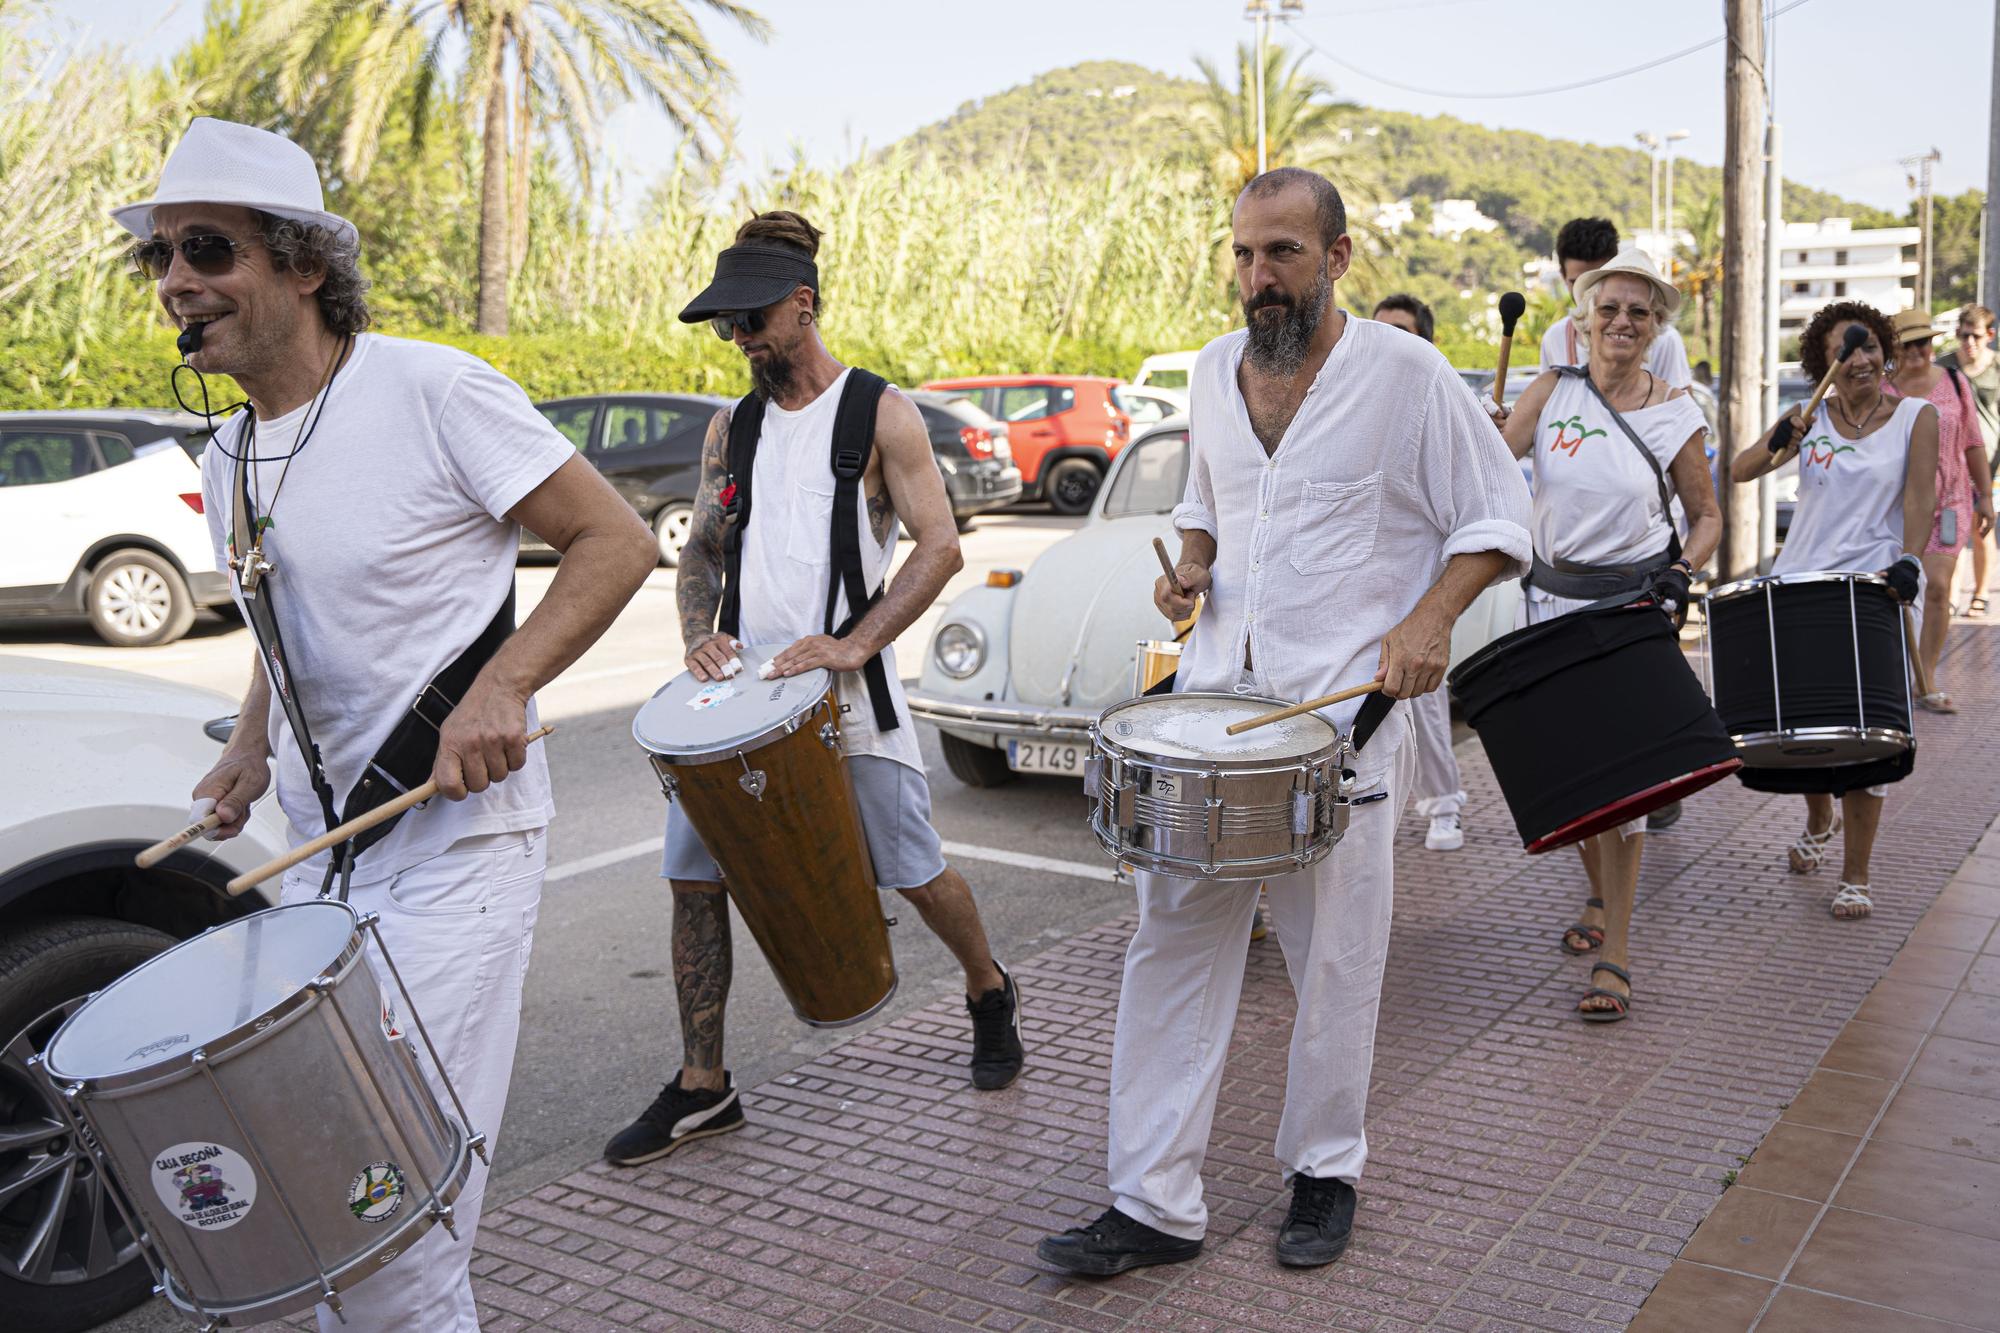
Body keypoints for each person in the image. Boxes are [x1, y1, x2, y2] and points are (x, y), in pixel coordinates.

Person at [130, 118, 659, 1331]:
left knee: (394, 1214)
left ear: (304, 263)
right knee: (335, 1199)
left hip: (458, 857)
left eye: (206, 249)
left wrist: (504, 685)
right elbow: (280, 615)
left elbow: (614, 540)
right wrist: (251, 740)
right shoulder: (231, 451)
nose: (176, 283)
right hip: (330, 866)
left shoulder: (429, 388)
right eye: (159, 258)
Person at [1037, 168, 1530, 1277]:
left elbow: (1499, 514)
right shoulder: (1214, 372)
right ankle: (1150, 1199)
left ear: (1338, 258)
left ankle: (1324, 1169)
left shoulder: (1403, 376)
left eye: (1285, 255)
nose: (1260, 278)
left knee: (1336, 958)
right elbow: (1205, 507)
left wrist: (1429, 617)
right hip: (1214, 718)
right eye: (1246, 255)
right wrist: (1191, 571)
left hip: (1344, 722)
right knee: (1169, 943)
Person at [603, 211, 1025, 1168]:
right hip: (740, 710)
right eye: (726, 327)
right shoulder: (730, 428)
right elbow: (702, 554)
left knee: (914, 874)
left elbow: (942, 546)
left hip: (850, 701)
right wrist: (700, 637)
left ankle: (988, 986)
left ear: (803, 305)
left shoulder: (880, 414)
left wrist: (855, 641)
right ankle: (703, 1085)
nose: (740, 340)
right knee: (693, 882)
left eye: (753, 320)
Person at [1498, 248, 1721, 1023]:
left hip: (1628, 611)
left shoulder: (1675, 413)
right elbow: (1492, 471)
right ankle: (1596, 892)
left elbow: (1708, 517)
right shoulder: (1552, 389)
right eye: (1610, 308)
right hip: (1547, 608)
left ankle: (1616, 952)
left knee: (1624, 791)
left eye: (1640, 311)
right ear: (1584, 316)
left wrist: (1680, 572)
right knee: (1573, 774)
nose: (1623, 321)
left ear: (1657, 326)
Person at [1729, 301, 1938, 921]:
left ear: (1887, 352)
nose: (1862, 360)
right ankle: (1819, 819)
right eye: (1846, 352)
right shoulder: (1810, 418)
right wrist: (1779, 439)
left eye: (1871, 347)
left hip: (1878, 590)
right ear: (1824, 362)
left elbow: (1921, 500)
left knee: (1872, 739)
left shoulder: (1915, 417)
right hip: (1802, 589)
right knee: (1813, 733)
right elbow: (1740, 472)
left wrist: (1910, 561)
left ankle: (1856, 873)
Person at [1371, 292, 1468, 851]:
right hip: (1361, 588)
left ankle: (1444, 805)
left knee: (1425, 706)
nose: (1392, 343)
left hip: (1422, 586)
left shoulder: (1447, 399)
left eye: (1404, 332)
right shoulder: (1352, 397)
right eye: (1381, 330)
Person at [1885, 306, 1995, 711]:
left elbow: (1973, 442)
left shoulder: (1953, 381)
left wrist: (1985, 496)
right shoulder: (1883, 391)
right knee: (1896, 594)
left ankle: (1925, 676)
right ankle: (1895, 670)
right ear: (1895, 348)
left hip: (1948, 502)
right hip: (1897, 508)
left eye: (1924, 342)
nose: (1918, 351)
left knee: (1940, 588)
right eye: (1909, 344)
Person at [1538, 217, 1693, 389]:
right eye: (1578, 283)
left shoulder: (1665, 339)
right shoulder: (1555, 338)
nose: (1588, 296)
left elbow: (1680, 406)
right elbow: (1547, 408)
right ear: (1562, 276)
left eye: (1599, 284)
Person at [1940, 303, 2000, 616]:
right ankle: (1950, 596)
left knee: (1981, 529)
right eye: (1964, 336)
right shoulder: (1944, 367)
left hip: (1991, 465)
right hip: (1951, 465)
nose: (1969, 343)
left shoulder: (1997, 368)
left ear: (1990, 335)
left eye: (1975, 336)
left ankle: (1980, 593)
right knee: (1953, 531)